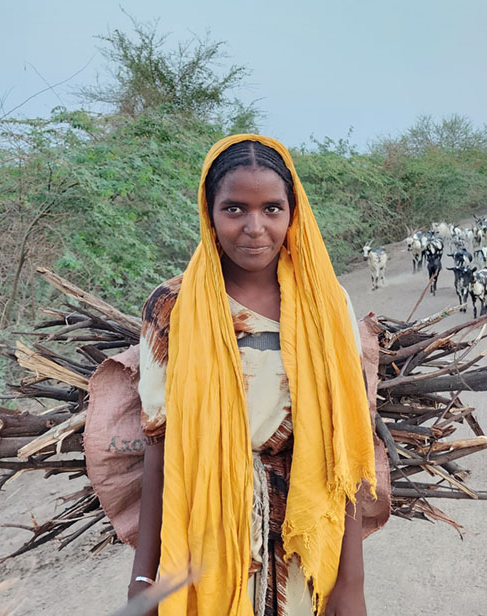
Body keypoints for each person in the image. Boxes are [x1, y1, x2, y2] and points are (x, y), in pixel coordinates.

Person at [126, 134, 380, 615]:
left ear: (293, 212)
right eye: (235, 209)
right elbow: (161, 447)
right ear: (209, 212)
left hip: (306, 535)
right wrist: (144, 576)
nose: (254, 228)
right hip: (207, 531)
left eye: (272, 209)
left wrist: (352, 584)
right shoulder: (173, 307)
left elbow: (342, 446)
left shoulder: (325, 303)